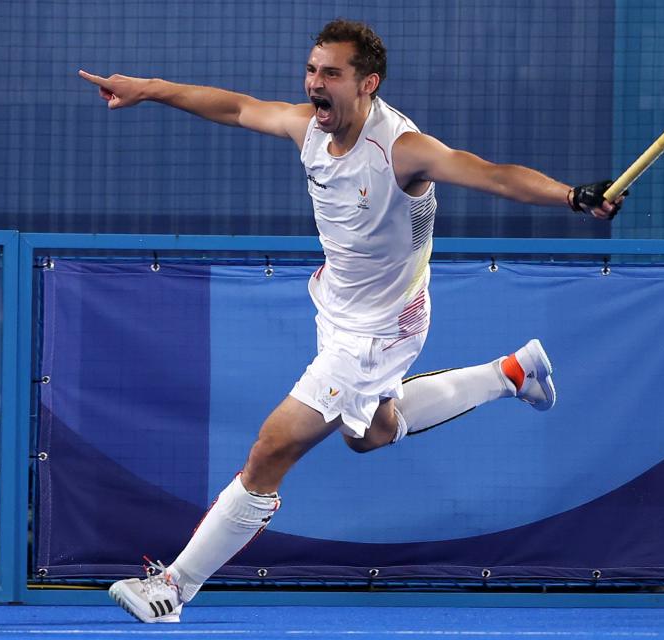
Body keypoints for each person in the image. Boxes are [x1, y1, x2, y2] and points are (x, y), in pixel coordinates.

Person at [79, 18, 625, 623]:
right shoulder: (308, 128)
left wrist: (573, 195)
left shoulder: (401, 150)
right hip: (338, 310)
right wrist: (147, 87)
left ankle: (173, 589)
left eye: (331, 73)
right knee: (369, 434)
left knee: (269, 451)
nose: (315, 83)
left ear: (368, 83)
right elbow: (236, 108)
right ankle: (510, 373)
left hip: (381, 329)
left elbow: (492, 175)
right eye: (312, 70)